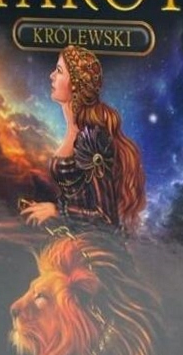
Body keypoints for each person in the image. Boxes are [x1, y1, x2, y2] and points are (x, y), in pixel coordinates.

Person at [20, 45, 146, 234]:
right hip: (75, 235)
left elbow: (105, 218)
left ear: (74, 84)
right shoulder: (75, 131)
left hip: (96, 244)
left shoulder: (92, 139)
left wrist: (57, 211)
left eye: (59, 71)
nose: (51, 76)